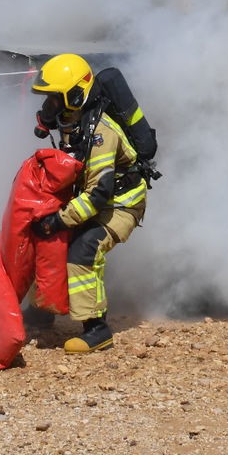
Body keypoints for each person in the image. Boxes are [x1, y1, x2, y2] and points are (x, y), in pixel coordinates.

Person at [28, 53, 150, 353]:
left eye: (55, 100)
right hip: (92, 197)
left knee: (84, 247)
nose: (49, 108)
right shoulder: (76, 119)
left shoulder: (101, 133)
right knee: (45, 240)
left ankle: (97, 329)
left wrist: (59, 219)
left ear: (75, 96)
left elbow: (98, 195)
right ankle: (43, 311)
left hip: (120, 204)